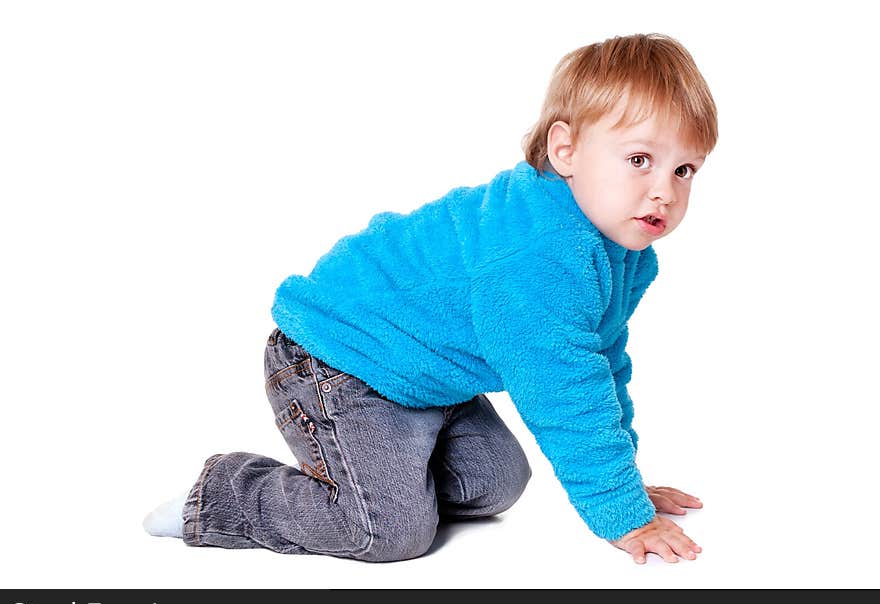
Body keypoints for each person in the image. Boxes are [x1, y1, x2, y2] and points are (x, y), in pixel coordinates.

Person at [144, 32, 718, 564]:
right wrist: (620, 513)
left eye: (684, 168)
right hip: (340, 360)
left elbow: (601, 366)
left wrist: (623, 477)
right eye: (639, 160)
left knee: (496, 483)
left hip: (429, 376)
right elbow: (562, 388)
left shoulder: (623, 253)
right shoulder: (539, 253)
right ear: (564, 151)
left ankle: (378, 471)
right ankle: (224, 493)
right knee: (388, 533)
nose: (663, 190)